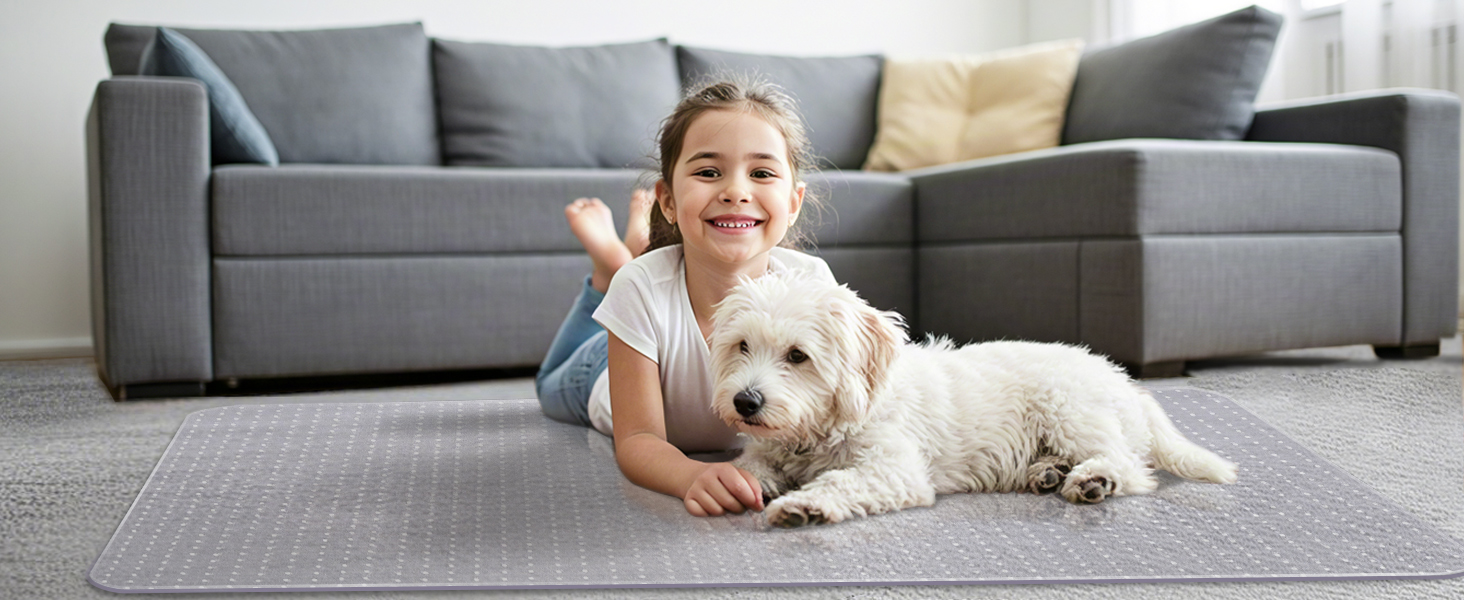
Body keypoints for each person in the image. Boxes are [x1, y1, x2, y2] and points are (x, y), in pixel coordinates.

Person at [534, 76, 836, 518]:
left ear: (793, 203)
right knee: (548, 387)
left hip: (645, 322)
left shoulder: (814, 283)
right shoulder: (641, 289)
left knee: (632, 289)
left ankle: (619, 262)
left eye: (762, 173)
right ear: (669, 201)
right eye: (709, 172)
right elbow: (639, 441)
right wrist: (689, 475)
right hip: (601, 370)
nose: (736, 191)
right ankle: (606, 274)